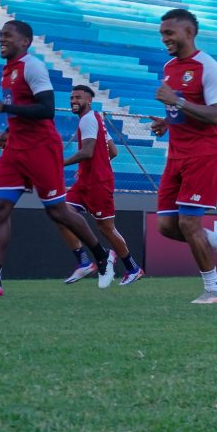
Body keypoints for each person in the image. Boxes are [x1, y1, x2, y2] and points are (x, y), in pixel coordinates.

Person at [0, 20, 111, 297]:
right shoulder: (8, 71)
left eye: (7, 35)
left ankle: (101, 256)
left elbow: (46, 109)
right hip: (16, 148)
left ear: (25, 41)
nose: (1, 39)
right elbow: (24, 109)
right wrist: (7, 130)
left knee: (57, 211)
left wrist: (4, 108)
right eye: (0, 35)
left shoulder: (33, 66)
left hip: (41, 148)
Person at [150, 8, 217, 304]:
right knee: (166, 226)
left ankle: (215, 290)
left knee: (188, 223)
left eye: (169, 33)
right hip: (175, 155)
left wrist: (176, 100)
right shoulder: (170, 67)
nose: (164, 39)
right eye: (163, 33)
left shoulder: (208, 67)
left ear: (189, 32)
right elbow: (184, 109)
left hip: (202, 155)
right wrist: (168, 119)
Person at [57, 84, 142, 286]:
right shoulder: (95, 119)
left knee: (106, 229)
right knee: (61, 214)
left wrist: (58, 163)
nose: (73, 101)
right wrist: (89, 167)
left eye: (78, 97)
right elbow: (113, 151)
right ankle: (84, 262)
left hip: (98, 184)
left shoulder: (88, 119)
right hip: (85, 181)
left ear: (89, 100)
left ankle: (133, 268)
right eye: (71, 98)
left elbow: (87, 152)